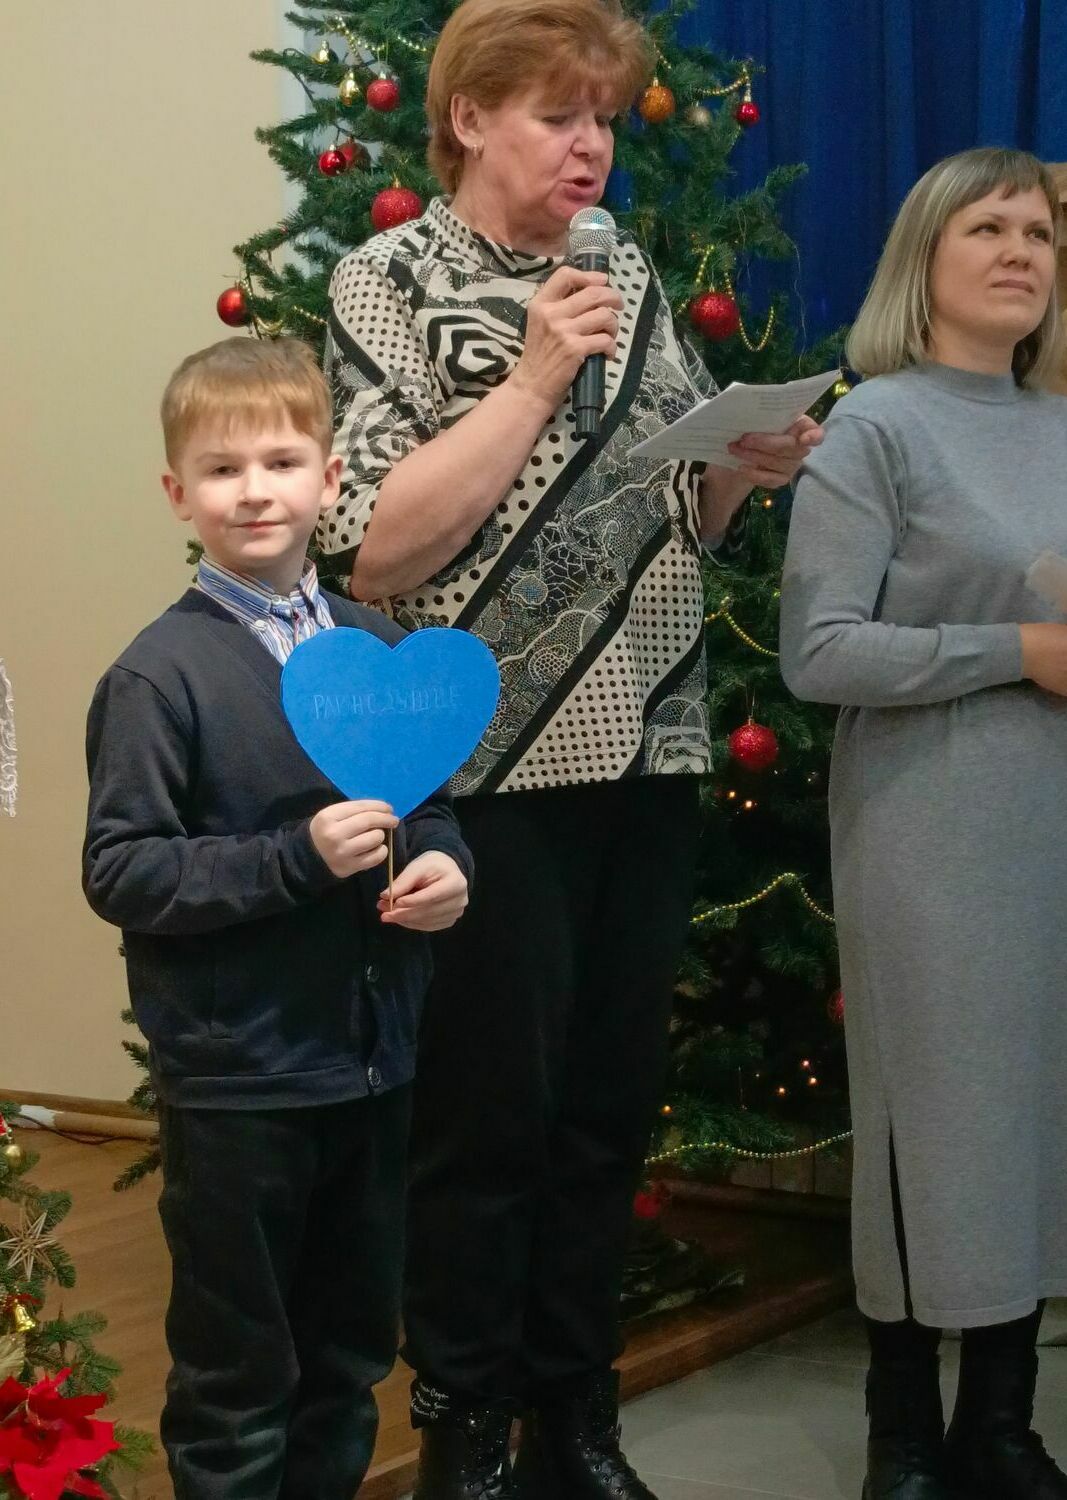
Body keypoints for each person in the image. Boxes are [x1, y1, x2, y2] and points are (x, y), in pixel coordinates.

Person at [319, 2, 822, 1495]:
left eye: (601, 116)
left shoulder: (627, 272)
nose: (590, 143)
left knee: (605, 1116)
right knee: (487, 1125)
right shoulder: (388, 281)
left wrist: (737, 470)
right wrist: (534, 377)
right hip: (482, 771)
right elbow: (372, 547)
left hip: (646, 742)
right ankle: (466, 1429)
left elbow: (674, 511)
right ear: (469, 118)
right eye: (556, 113)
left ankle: (572, 1422)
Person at [82, 336, 473, 1500]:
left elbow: (428, 810)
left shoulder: (377, 647)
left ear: (330, 477)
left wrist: (444, 868)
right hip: (240, 1080)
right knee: (237, 1370)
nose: (254, 491)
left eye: (281, 462)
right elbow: (124, 870)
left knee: (348, 1356)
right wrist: (294, 858)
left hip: (371, 1068)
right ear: (177, 493)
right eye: (221, 469)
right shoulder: (160, 677)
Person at [780, 147, 1067, 1500]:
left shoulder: (1061, 425)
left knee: (1034, 1114)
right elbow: (818, 651)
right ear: (922, 260)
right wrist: (1013, 649)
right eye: (985, 229)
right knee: (933, 1114)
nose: (1018, 252)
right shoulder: (874, 428)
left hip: (1052, 820)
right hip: (928, 823)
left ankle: (998, 1425)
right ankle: (900, 1432)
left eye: (1037, 234)